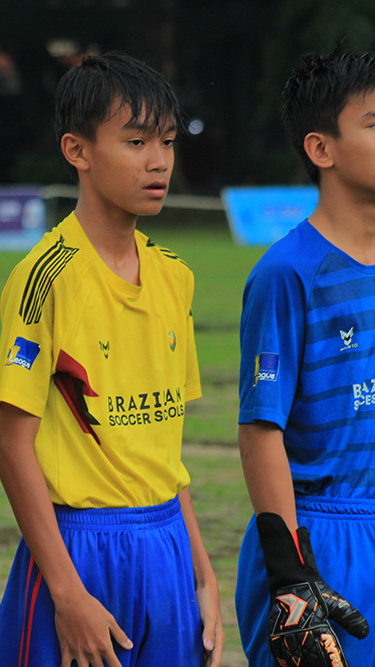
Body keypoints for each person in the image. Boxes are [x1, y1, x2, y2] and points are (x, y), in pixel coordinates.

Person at [0, 51, 223, 667]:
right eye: (137, 140)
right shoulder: (46, 277)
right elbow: (12, 447)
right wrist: (67, 594)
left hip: (168, 541)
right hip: (79, 550)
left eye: (167, 141)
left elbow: (165, 453)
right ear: (78, 150)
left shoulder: (176, 277)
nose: (159, 161)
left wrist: (201, 572)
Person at [235, 47, 375, 667]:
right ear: (322, 149)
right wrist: (292, 581)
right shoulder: (288, 273)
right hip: (321, 538)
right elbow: (260, 427)